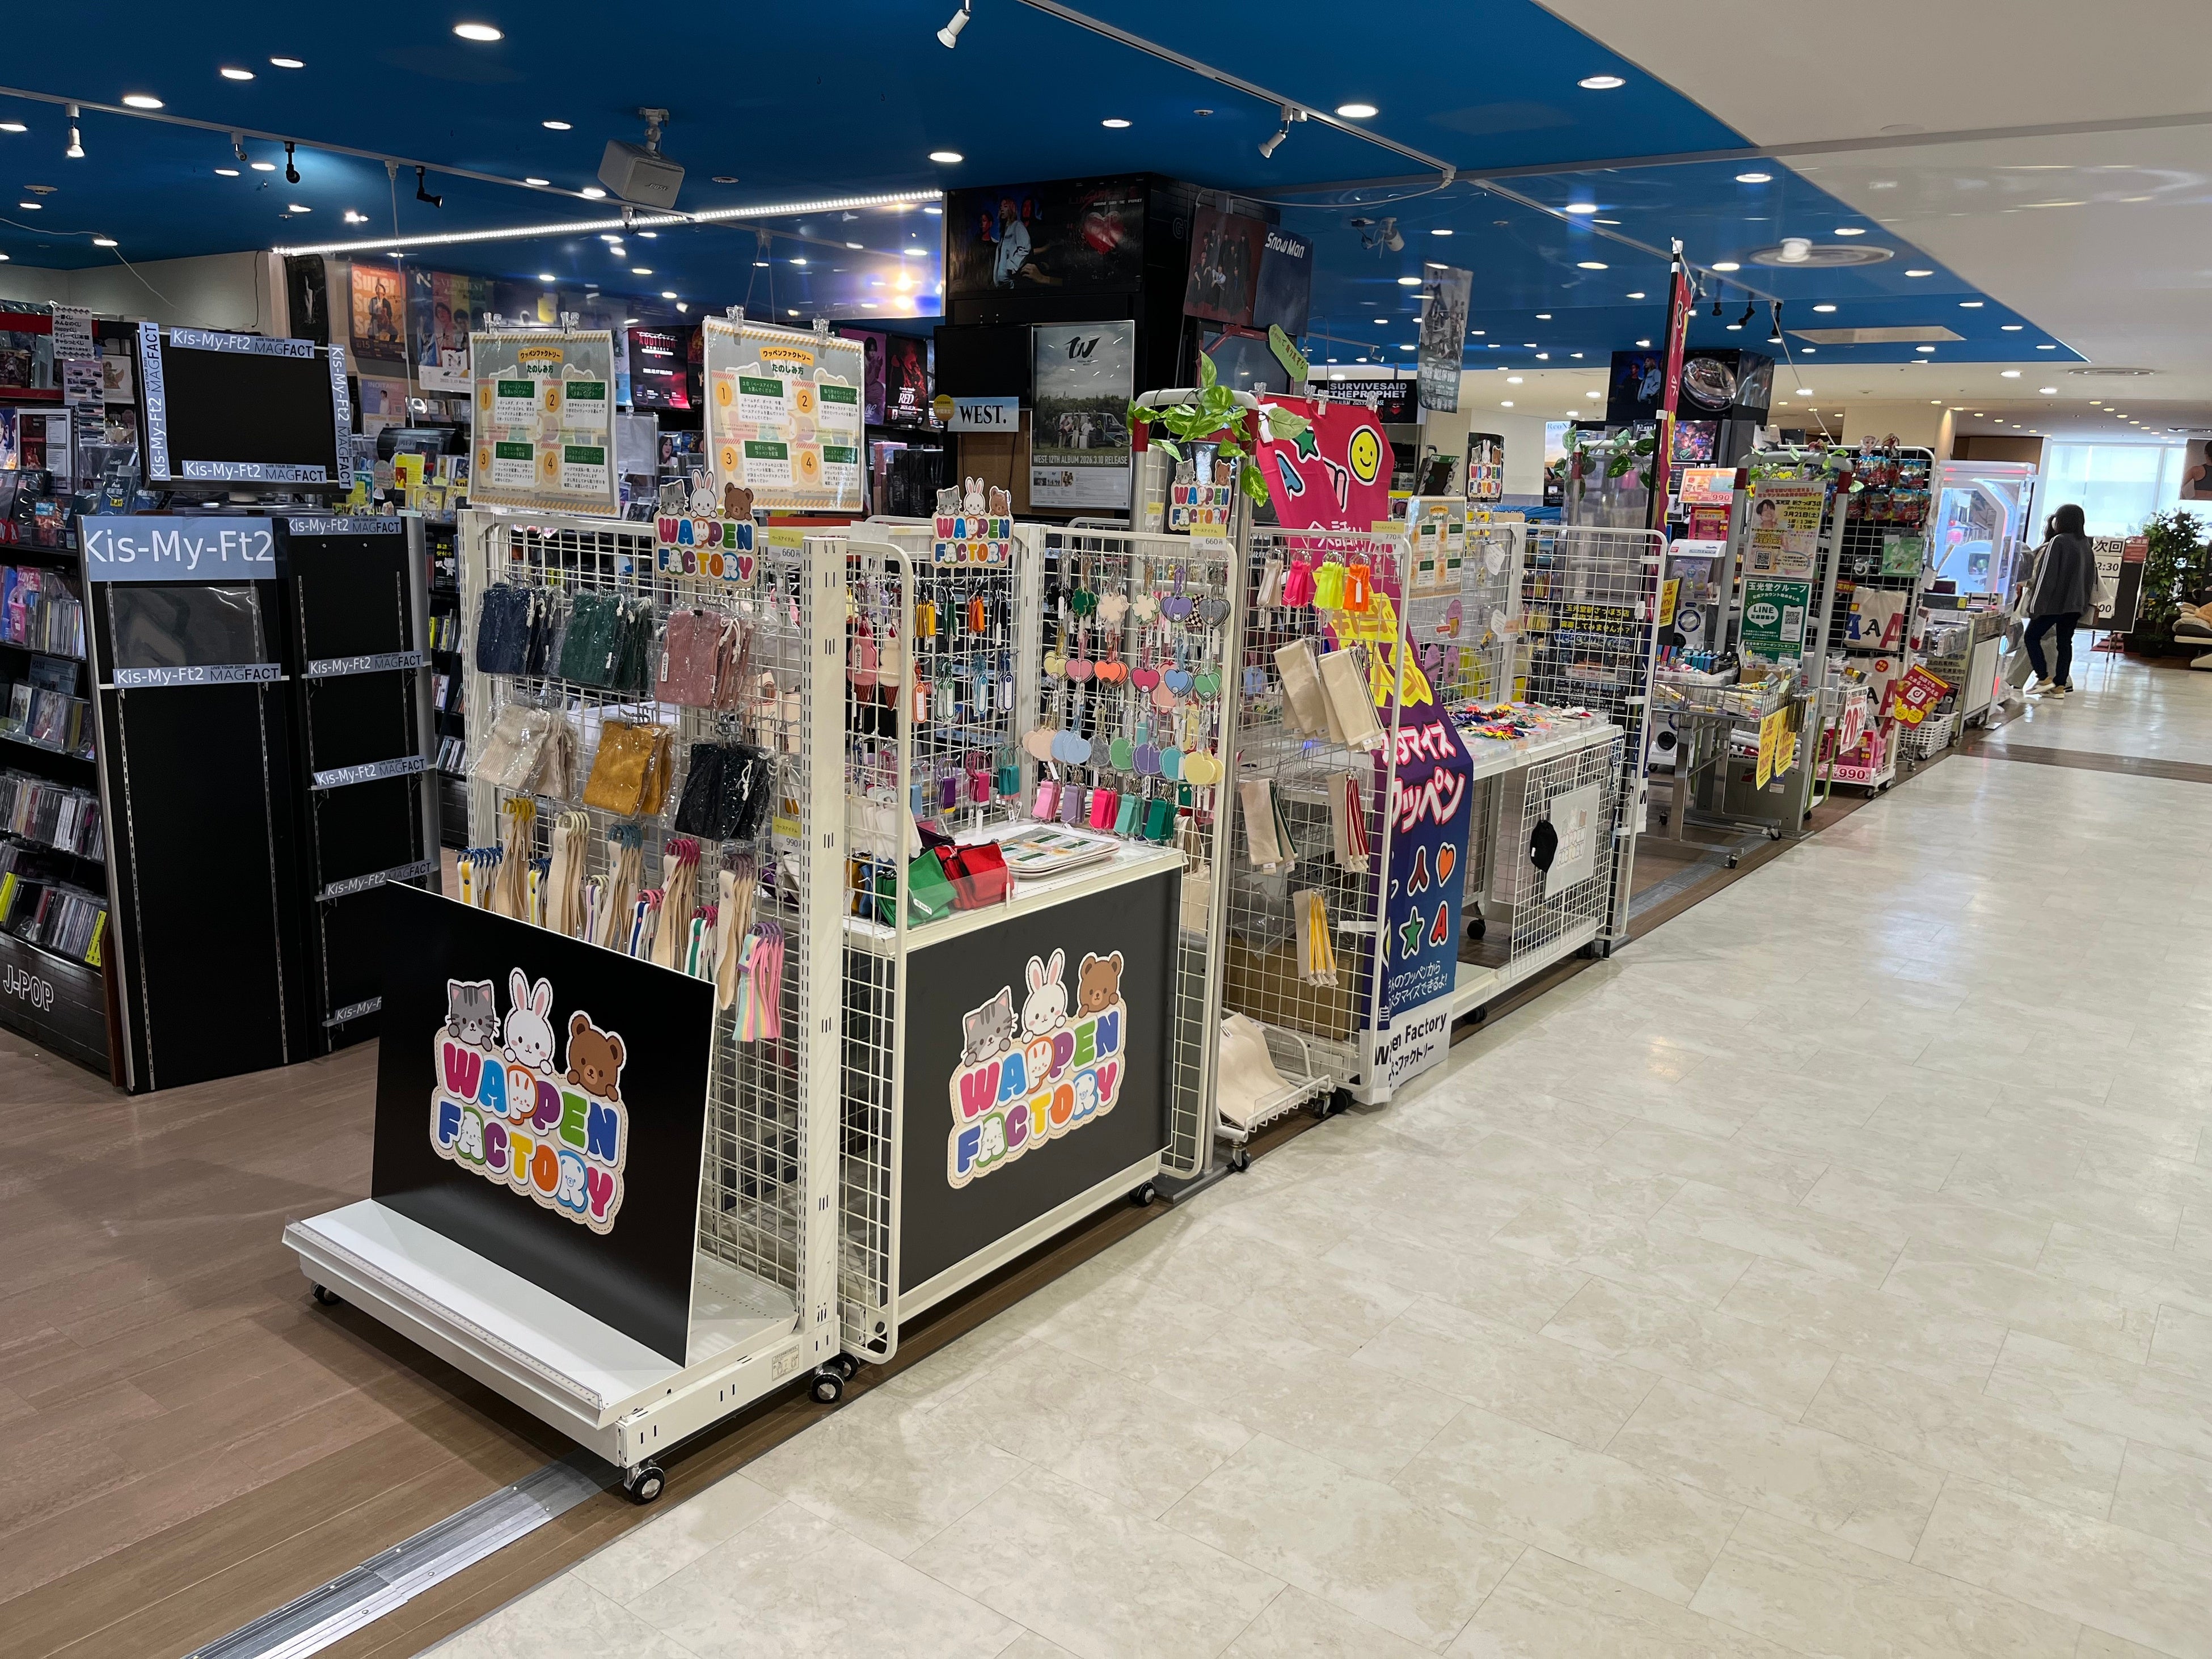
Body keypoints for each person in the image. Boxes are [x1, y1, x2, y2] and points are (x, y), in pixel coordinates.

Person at [2020, 502, 2098, 697]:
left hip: (2054, 604)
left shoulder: (2059, 541)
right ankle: (2060, 686)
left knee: (2031, 637)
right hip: (2075, 604)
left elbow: (2047, 576)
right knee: (2065, 643)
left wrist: (2036, 606)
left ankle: (2043, 678)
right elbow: (2090, 578)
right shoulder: (2085, 544)